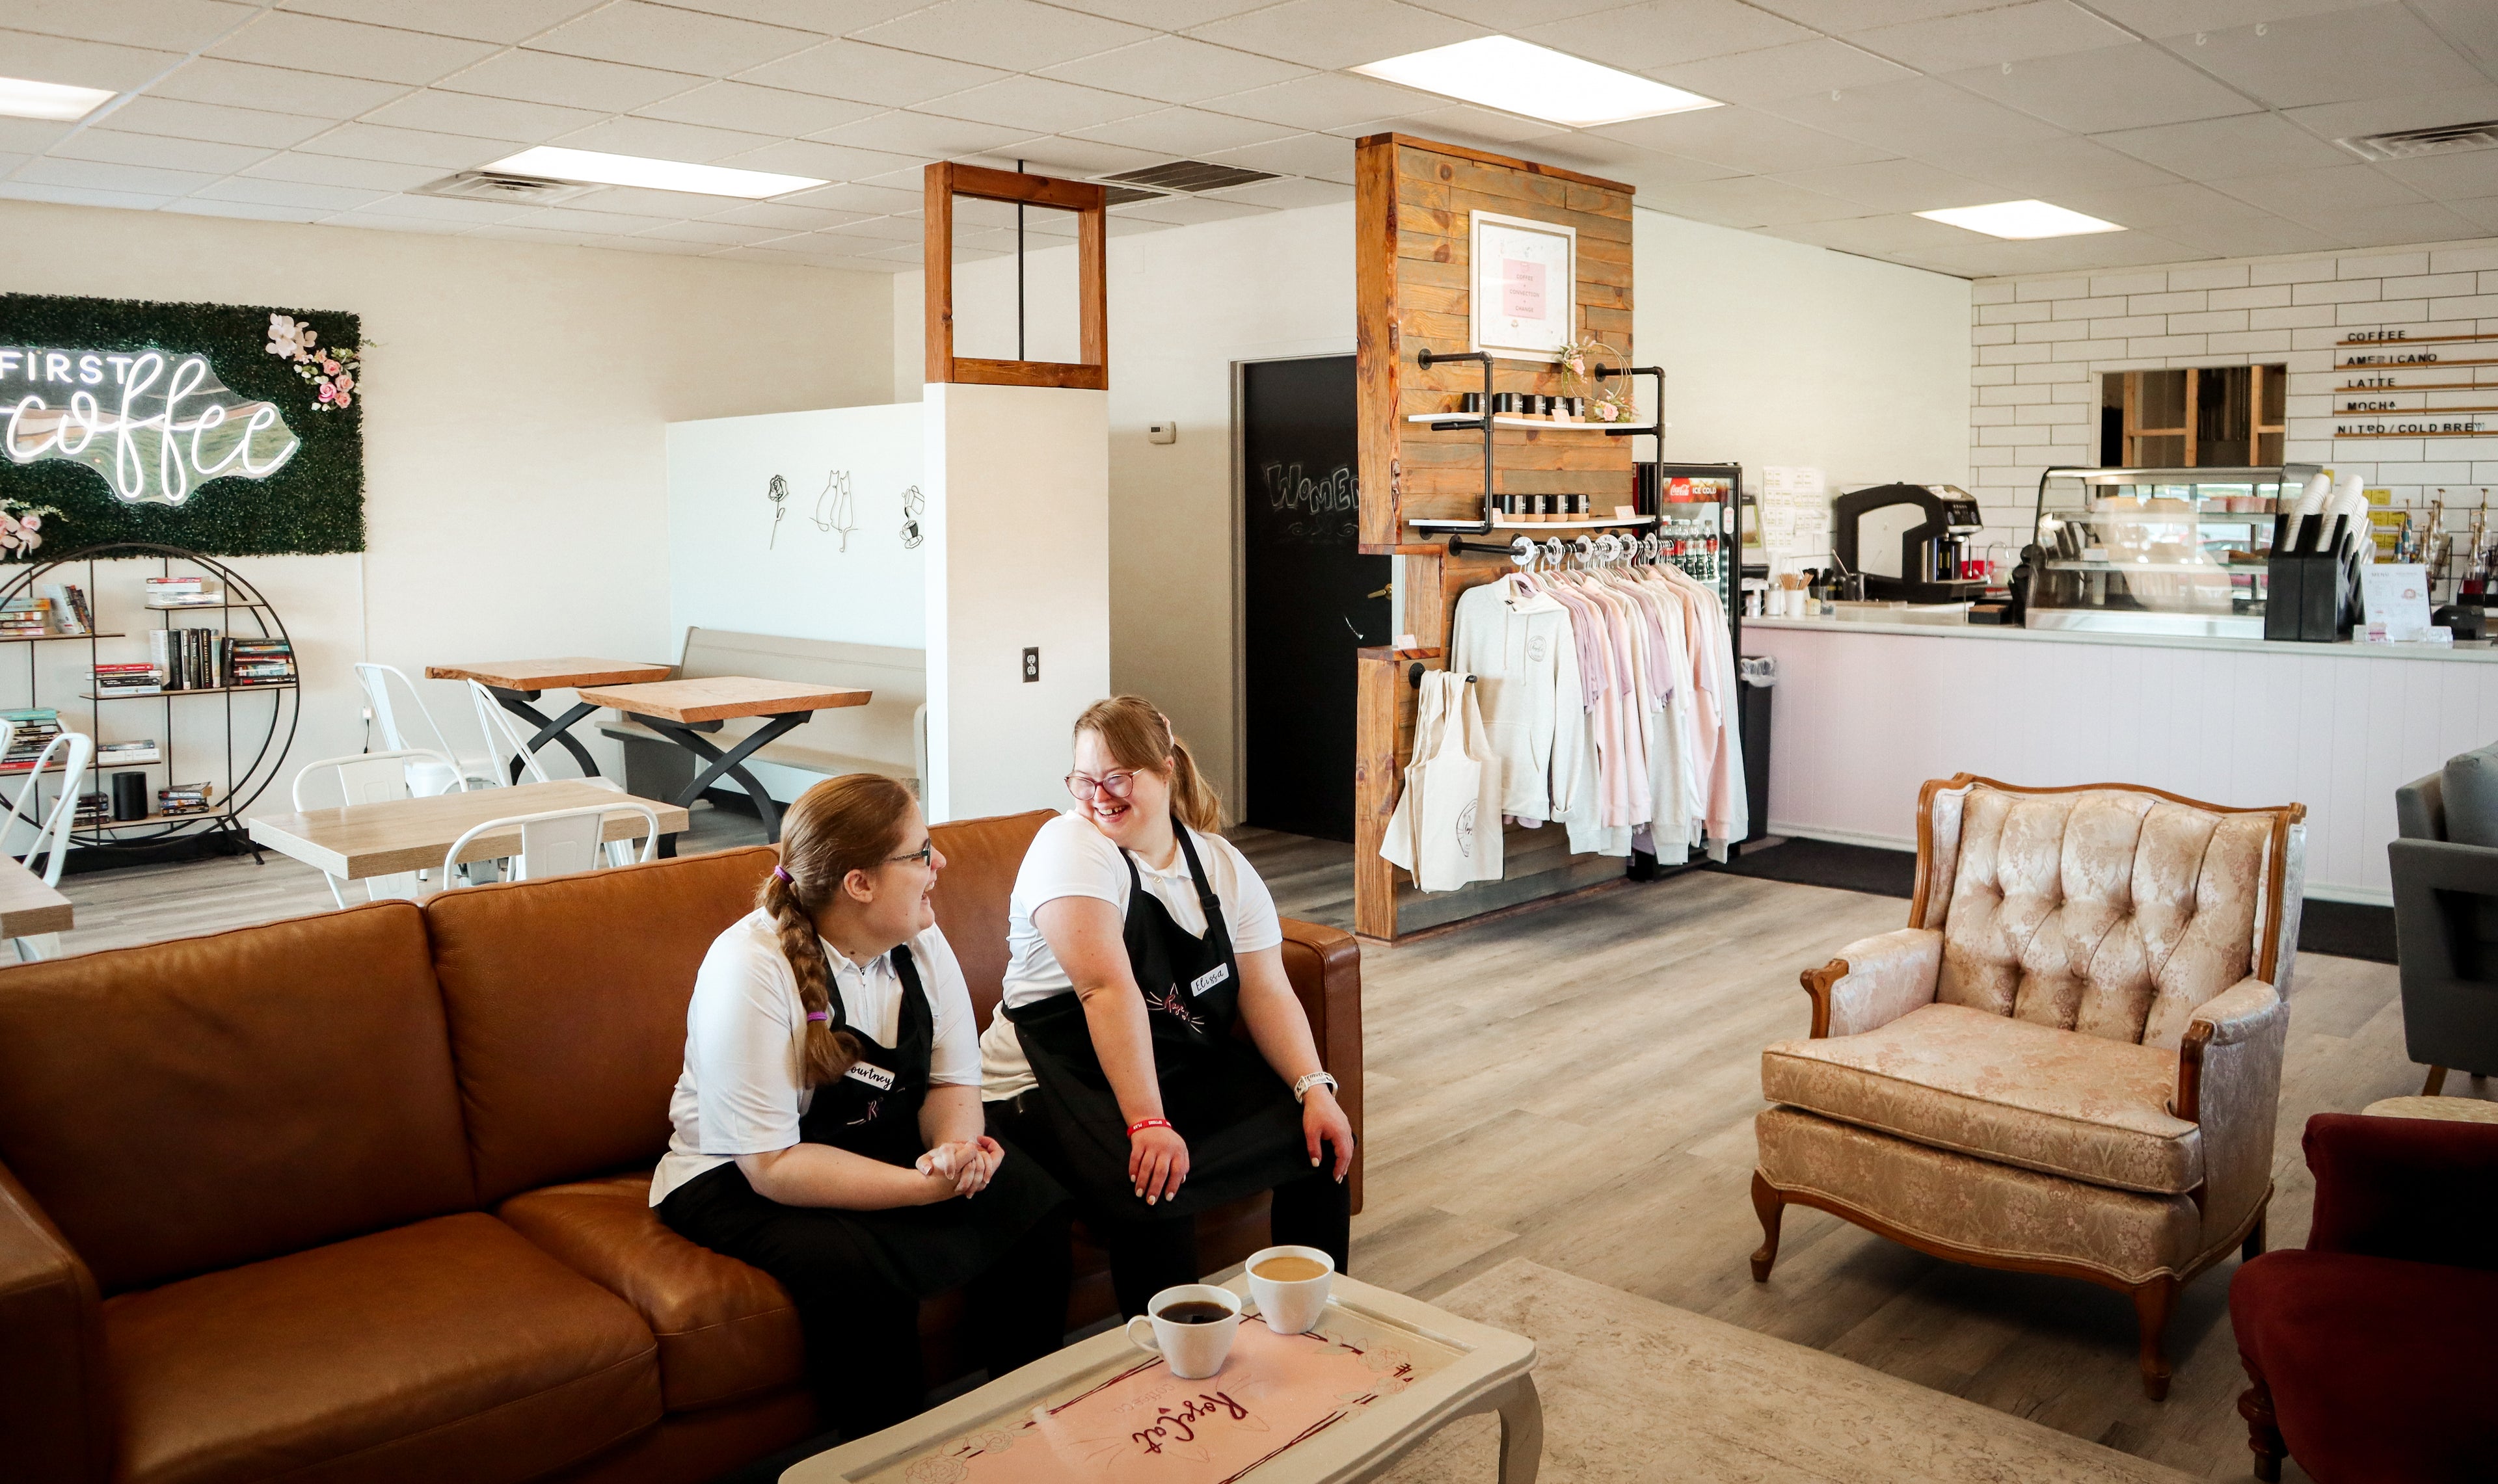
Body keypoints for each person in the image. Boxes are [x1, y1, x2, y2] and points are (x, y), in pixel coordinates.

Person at [653, 775, 1071, 1438]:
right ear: (860, 883)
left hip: (869, 1140)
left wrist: (956, 1151)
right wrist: (921, 1187)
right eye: (921, 852)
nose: (941, 864)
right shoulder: (750, 967)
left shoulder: (919, 939)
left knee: (1029, 1201)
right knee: (855, 1277)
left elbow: (952, 1085)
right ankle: (897, 1461)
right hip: (737, 1173)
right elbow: (772, 1164)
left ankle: (1030, 1431)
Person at [981, 696, 1354, 1319]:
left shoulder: (1218, 865)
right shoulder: (1070, 846)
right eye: (1084, 780)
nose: (1099, 796)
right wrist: (1149, 1125)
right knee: (1156, 1181)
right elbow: (1106, 990)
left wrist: (1314, 1088)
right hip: (1047, 1079)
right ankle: (1175, 1369)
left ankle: (1311, 1326)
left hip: (1164, 1057)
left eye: (1118, 777)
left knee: (1317, 1145)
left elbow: (1264, 987)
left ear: (1165, 769)